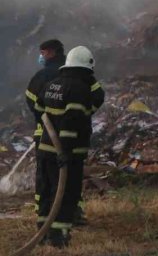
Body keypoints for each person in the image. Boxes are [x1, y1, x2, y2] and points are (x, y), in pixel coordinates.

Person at [35, 46, 103, 248]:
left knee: (47, 192)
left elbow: (39, 107)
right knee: (66, 194)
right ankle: (58, 236)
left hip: (45, 149)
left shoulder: (52, 84)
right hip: (68, 154)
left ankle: (42, 232)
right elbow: (71, 123)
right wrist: (64, 151)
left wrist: (50, 125)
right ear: (86, 69)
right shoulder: (79, 89)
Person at [26, 39, 65, 223]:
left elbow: (31, 99)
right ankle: (72, 211)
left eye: (42, 53)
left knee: (45, 173)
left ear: (51, 52)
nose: (41, 57)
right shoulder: (73, 73)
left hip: (45, 135)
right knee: (69, 173)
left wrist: (42, 118)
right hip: (71, 134)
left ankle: (44, 212)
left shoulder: (43, 75)